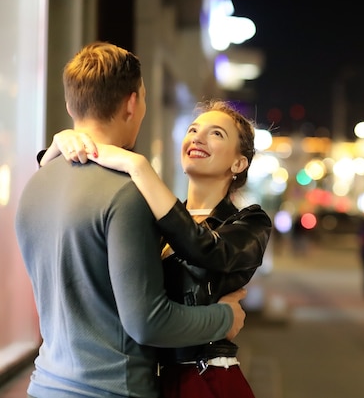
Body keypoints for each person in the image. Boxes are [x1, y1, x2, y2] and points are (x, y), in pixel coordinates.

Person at [14, 42, 246, 398]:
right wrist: (225, 317)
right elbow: (148, 323)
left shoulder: (36, 182)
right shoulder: (127, 192)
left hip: (44, 384)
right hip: (110, 389)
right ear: (132, 103)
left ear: (69, 105)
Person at [41, 99, 273, 398]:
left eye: (216, 134)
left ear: (239, 163)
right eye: (193, 129)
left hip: (207, 378)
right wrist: (58, 149)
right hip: (150, 380)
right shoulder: (155, 218)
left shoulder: (250, 223)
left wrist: (137, 166)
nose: (197, 138)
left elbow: (205, 249)